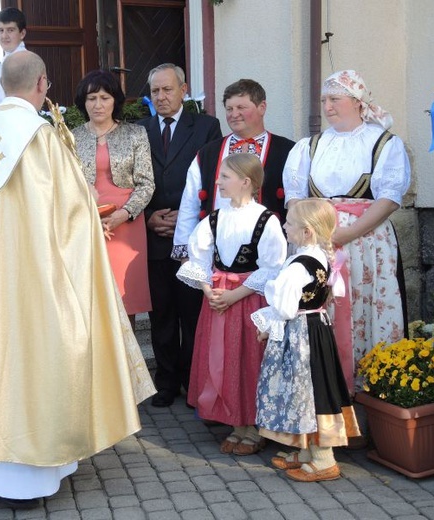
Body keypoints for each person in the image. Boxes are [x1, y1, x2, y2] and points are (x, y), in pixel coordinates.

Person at [0, 51, 154, 508]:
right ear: (42, 83)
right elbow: (70, 211)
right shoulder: (39, 135)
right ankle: (30, 475)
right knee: (32, 358)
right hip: (33, 274)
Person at [283, 70, 411, 391]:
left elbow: (389, 199)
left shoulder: (383, 144)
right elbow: (295, 198)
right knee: (319, 313)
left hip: (366, 244)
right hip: (316, 245)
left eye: (334, 99)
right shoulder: (309, 147)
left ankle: (365, 401)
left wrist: (344, 236)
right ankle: (323, 400)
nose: (327, 106)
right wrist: (312, 233)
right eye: (324, 100)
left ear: (356, 102)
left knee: (364, 312)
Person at [177, 153, 286, 455]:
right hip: (217, 302)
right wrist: (207, 290)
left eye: (225, 177)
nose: (218, 181)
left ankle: (253, 425)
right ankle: (235, 424)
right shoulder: (215, 217)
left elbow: (273, 267)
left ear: (246, 182)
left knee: (248, 359)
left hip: (248, 303)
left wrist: (235, 295)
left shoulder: (265, 220)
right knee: (221, 359)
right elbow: (196, 257)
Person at [252, 199, 360, 482]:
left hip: (301, 333)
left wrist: (267, 324)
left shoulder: (298, 266)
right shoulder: (321, 255)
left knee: (309, 392)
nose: (285, 226)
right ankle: (309, 451)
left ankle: (324, 459)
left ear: (307, 232)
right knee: (312, 389)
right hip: (315, 328)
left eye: (289, 223)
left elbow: (286, 309)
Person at [137, 63, 222, 407]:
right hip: (154, 235)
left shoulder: (206, 127)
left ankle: (192, 380)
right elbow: (129, 182)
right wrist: (147, 217)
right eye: (155, 91)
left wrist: (189, 222)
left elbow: (215, 180)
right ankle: (167, 381)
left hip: (194, 239)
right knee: (162, 314)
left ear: (184, 90)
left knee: (192, 313)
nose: (161, 96)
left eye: (167, 89)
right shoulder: (139, 130)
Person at [175, 79, 295, 257]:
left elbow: (298, 204)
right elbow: (189, 204)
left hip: (271, 253)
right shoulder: (208, 153)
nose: (234, 114)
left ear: (262, 107)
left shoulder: (288, 151)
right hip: (216, 253)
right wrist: (184, 253)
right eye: (229, 109)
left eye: (241, 107)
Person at [72, 70, 154, 323]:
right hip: (85, 223)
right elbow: (64, 185)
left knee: (125, 299)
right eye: (92, 98)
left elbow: (146, 184)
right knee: (89, 299)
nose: (98, 105)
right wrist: (84, 216)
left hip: (126, 225)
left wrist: (124, 214)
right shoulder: (70, 137)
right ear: (83, 102)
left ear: (115, 100)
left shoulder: (135, 134)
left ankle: (128, 362)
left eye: (105, 97)